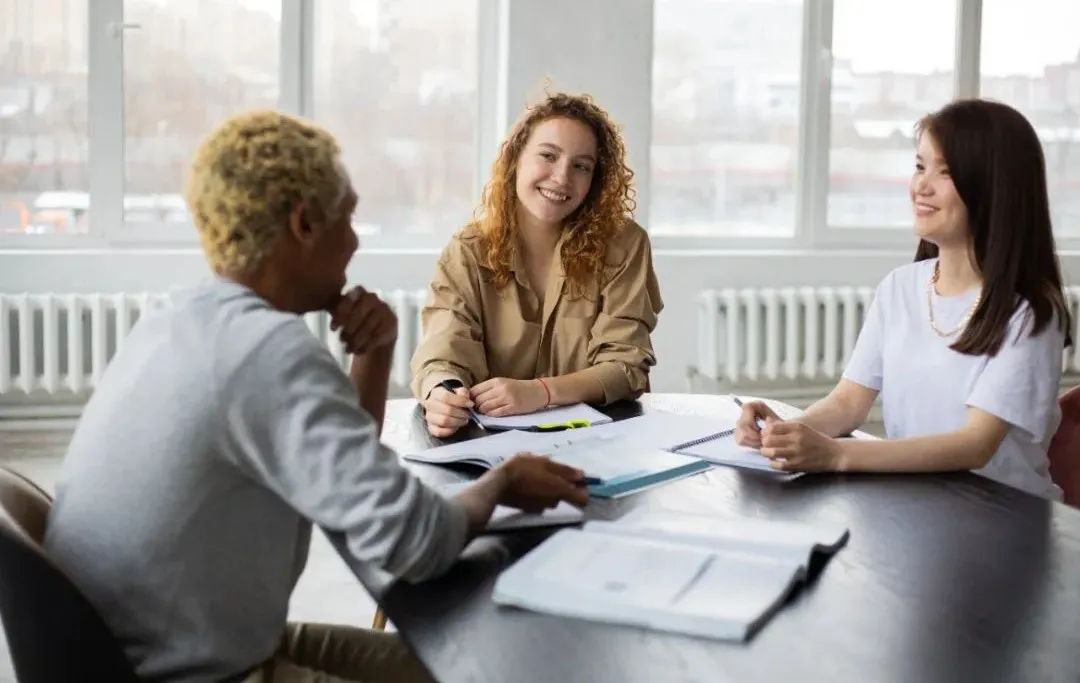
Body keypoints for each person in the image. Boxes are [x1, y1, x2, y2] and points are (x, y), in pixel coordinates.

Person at [42, 110, 589, 683]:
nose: (353, 242)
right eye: (348, 217)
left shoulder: (179, 318)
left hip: (153, 645)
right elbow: (416, 543)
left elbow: (346, 472)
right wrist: (503, 481)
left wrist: (373, 354)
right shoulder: (268, 353)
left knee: (458, 669)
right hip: (198, 672)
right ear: (304, 224)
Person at [735, 98, 1073, 500]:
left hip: (1005, 520)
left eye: (945, 171)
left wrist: (837, 455)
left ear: (994, 189)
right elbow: (847, 403)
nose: (921, 185)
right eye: (919, 166)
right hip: (918, 506)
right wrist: (786, 433)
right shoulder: (898, 288)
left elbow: (975, 444)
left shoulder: (1031, 314)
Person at [410, 92, 664, 438]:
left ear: (595, 180)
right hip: (490, 446)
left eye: (581, 166)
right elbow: (444, 350)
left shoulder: (624, 244)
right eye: (548, 156)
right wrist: (442, 394)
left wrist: (541, 392)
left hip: (599, 442)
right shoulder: (467, 251)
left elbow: (626, 366)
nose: (561, 178)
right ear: (516, 159)